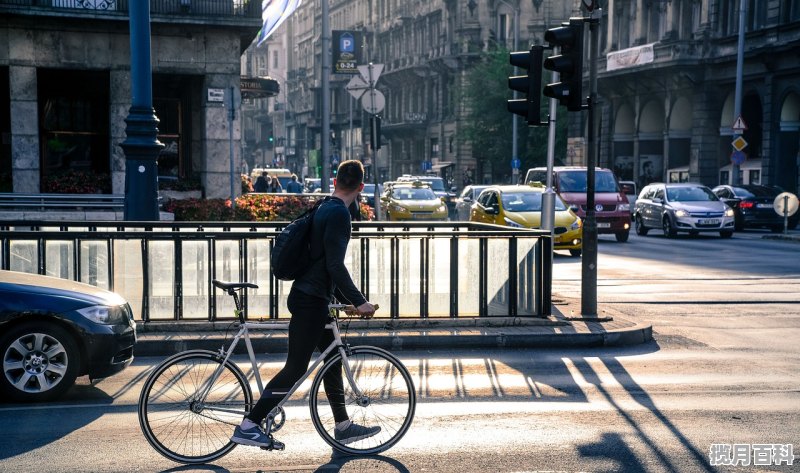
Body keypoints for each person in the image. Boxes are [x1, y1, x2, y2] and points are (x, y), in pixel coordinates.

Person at [231, 159, 379, 449]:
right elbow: (335, 265)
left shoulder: (325, 206)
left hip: (315, 298)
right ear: (361, 187)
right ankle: (250, 424)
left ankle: (343, 425)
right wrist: (359, 301)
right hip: (310, 301)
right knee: (296, 368)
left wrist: (338, 302)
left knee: (332, 361)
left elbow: (320, 262)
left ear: (335, 181)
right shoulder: (339, 215)